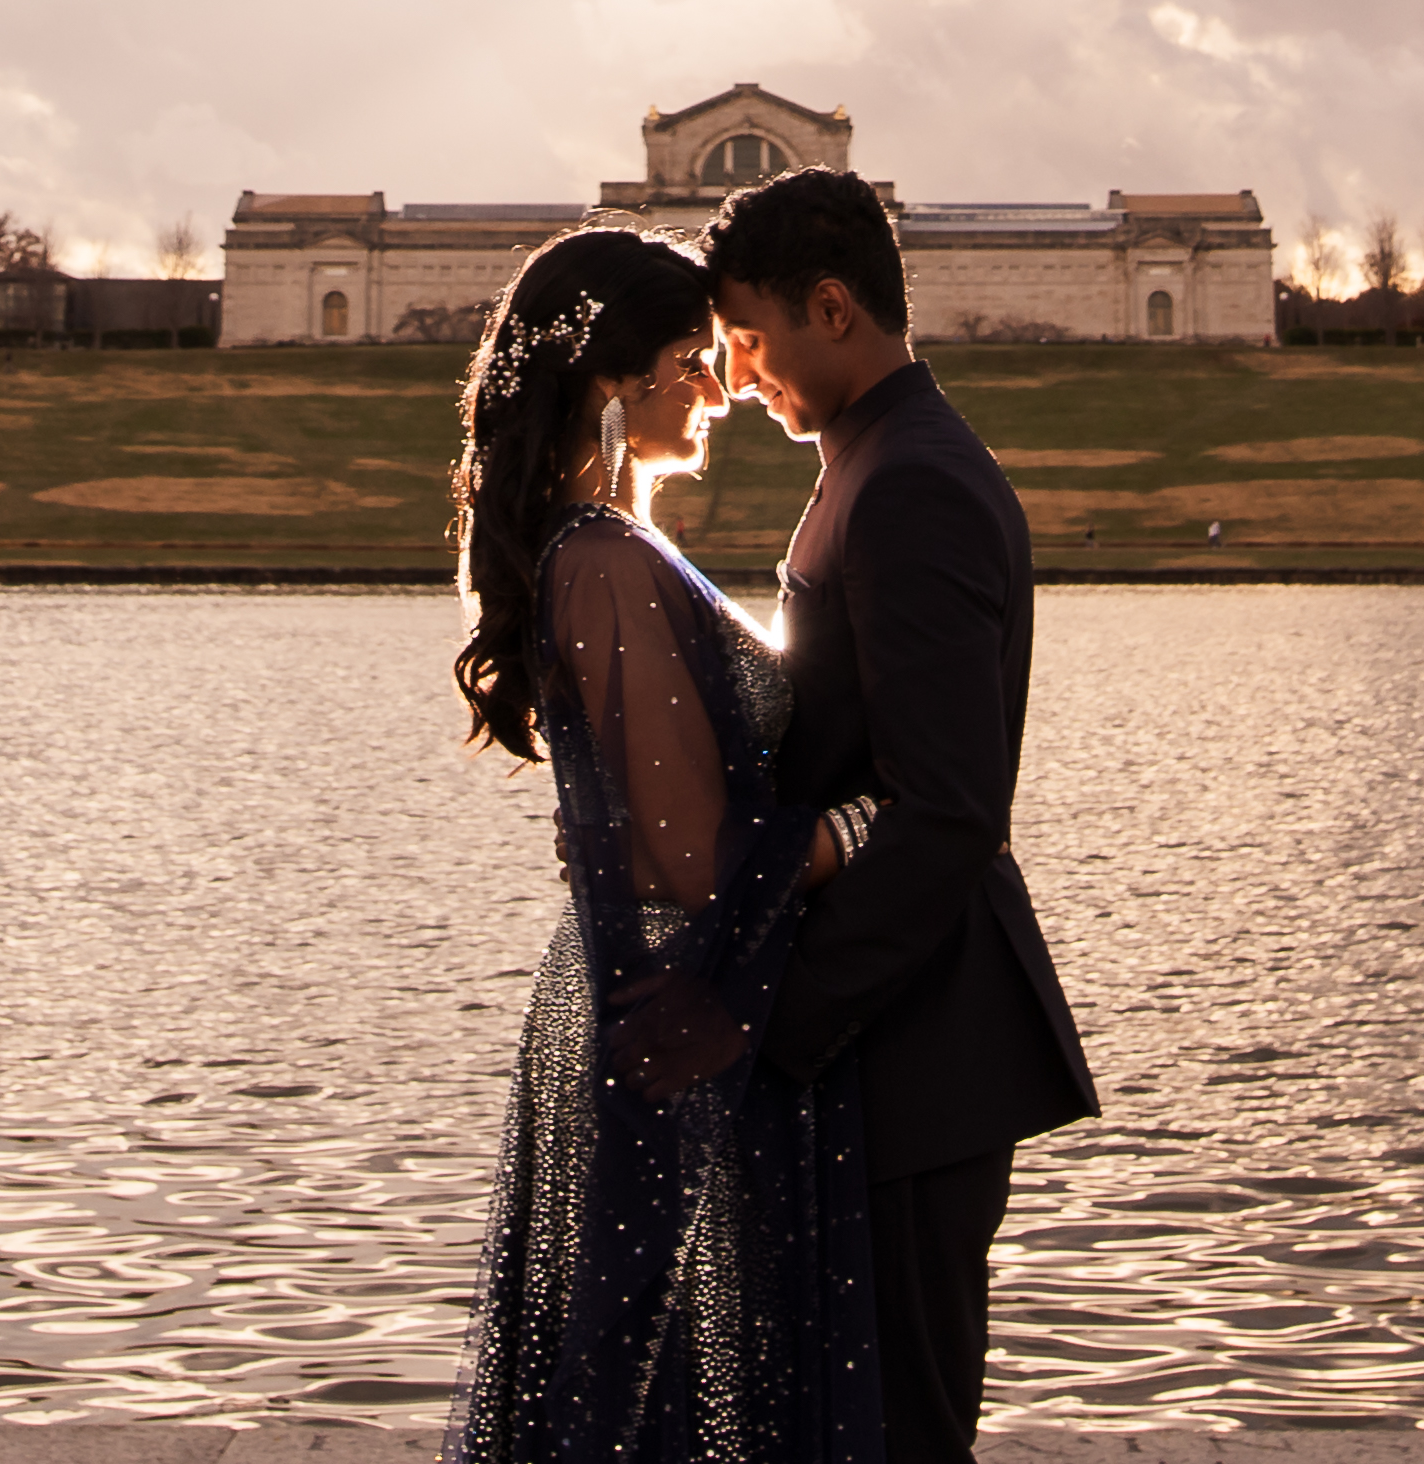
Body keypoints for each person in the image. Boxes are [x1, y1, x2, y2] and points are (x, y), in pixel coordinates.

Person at [442, 227, 868, 1464]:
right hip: (661, 1025)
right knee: (647, 1382)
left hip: (645, 1007)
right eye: (692, 358)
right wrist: (862, 826)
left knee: (644, 1373)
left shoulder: (602, 549)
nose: (719, 385)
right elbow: (692, 863)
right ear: (609, 379)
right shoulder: (606, 561)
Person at [709, 169, 1098, 1464]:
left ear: (833, 308)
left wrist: (775, 1030)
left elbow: (946, 814)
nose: (738, 371)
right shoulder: (867, 462)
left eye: (752, 338)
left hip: (917, 1050)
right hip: (886, 1045)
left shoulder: (914, 483)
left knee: (904, 1435)